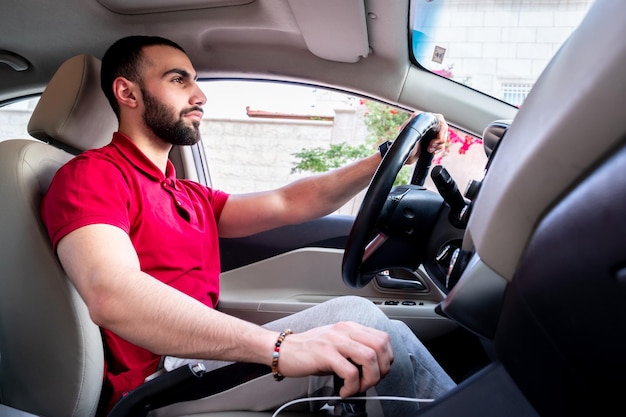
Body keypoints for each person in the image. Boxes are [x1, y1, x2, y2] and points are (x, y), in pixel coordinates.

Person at [41, 35, 455, 415]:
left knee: (365, 327)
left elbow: (291, 200)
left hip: (198, 361)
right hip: (158, 382)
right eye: (178, 80)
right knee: (360, 321)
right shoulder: (92, 176)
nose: (199, 95)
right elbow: (113, 294)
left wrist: (388, 157)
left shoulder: (187, 192)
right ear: (127, 92)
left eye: (196, 81)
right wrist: (279, 348)